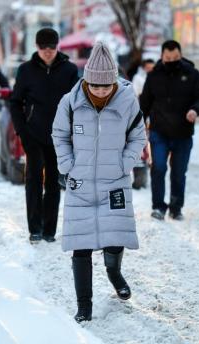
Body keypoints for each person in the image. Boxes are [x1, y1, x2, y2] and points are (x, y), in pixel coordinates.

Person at [52, 41, 146, 323]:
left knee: (115, 236)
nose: (101, 91)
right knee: (80, 246)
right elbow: (59, 135)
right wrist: (68, 165)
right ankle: (84, 306)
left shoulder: (128, 101)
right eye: (96, 86)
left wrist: (124, 163)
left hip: (113, 182)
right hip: (80, 184)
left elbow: (138, 136)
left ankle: (114, 273)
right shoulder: (70, 103)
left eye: (106, 87)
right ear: (87, 81)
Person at [10, 28, 78, 244]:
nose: (48, 51)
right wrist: (22, 130)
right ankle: (35, 229)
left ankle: (49, 230)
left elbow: (76, 103)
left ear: (57, 47)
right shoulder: (26, 70)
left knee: (53, 182)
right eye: (43, 47)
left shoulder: (69, 70)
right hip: (33, 134)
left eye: (52, 47)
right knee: (33, 179)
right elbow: (15, 102)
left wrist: (72, 131)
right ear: (37, 47)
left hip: (59, 136)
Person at [140, 40, 199, 221]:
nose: (172, 60)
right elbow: (144, 104)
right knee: (159, 168)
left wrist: (195, 110)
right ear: (162, 57)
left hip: (183, 133)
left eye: (176, 57)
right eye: (168, 58)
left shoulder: (191, 73)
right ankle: (158, 206)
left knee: (178, 172)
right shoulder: (154, 75)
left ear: (180, 55)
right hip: (159, 132)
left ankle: (176, 207)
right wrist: (138, 126)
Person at [131, 58, 155, 190]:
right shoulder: (138, 78)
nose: (150, 69)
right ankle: (140, 178)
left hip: (154, 116)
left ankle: (144, 176)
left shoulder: (157, 77)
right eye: (148, 67)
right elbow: (136, 95)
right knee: (142, 146)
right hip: (141, 116)